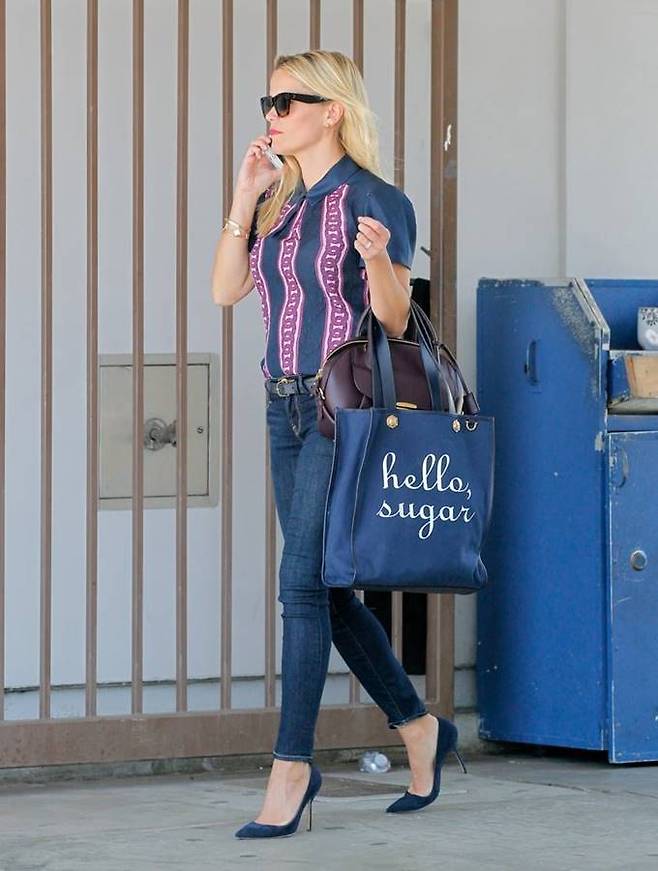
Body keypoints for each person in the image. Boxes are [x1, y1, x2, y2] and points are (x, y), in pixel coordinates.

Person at [210, 49, 465, 840]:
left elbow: (393, 319)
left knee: (300, 584)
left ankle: (292, 767)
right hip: (280, 407)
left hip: (340, 412)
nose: (272, 115)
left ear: (333, 111)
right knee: (326, 587)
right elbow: (225, 289)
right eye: (269, 101)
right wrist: (244, 196)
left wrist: (379, 258)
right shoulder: (280, 200)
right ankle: (419, 727)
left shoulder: (376, 197)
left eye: (288, 101)